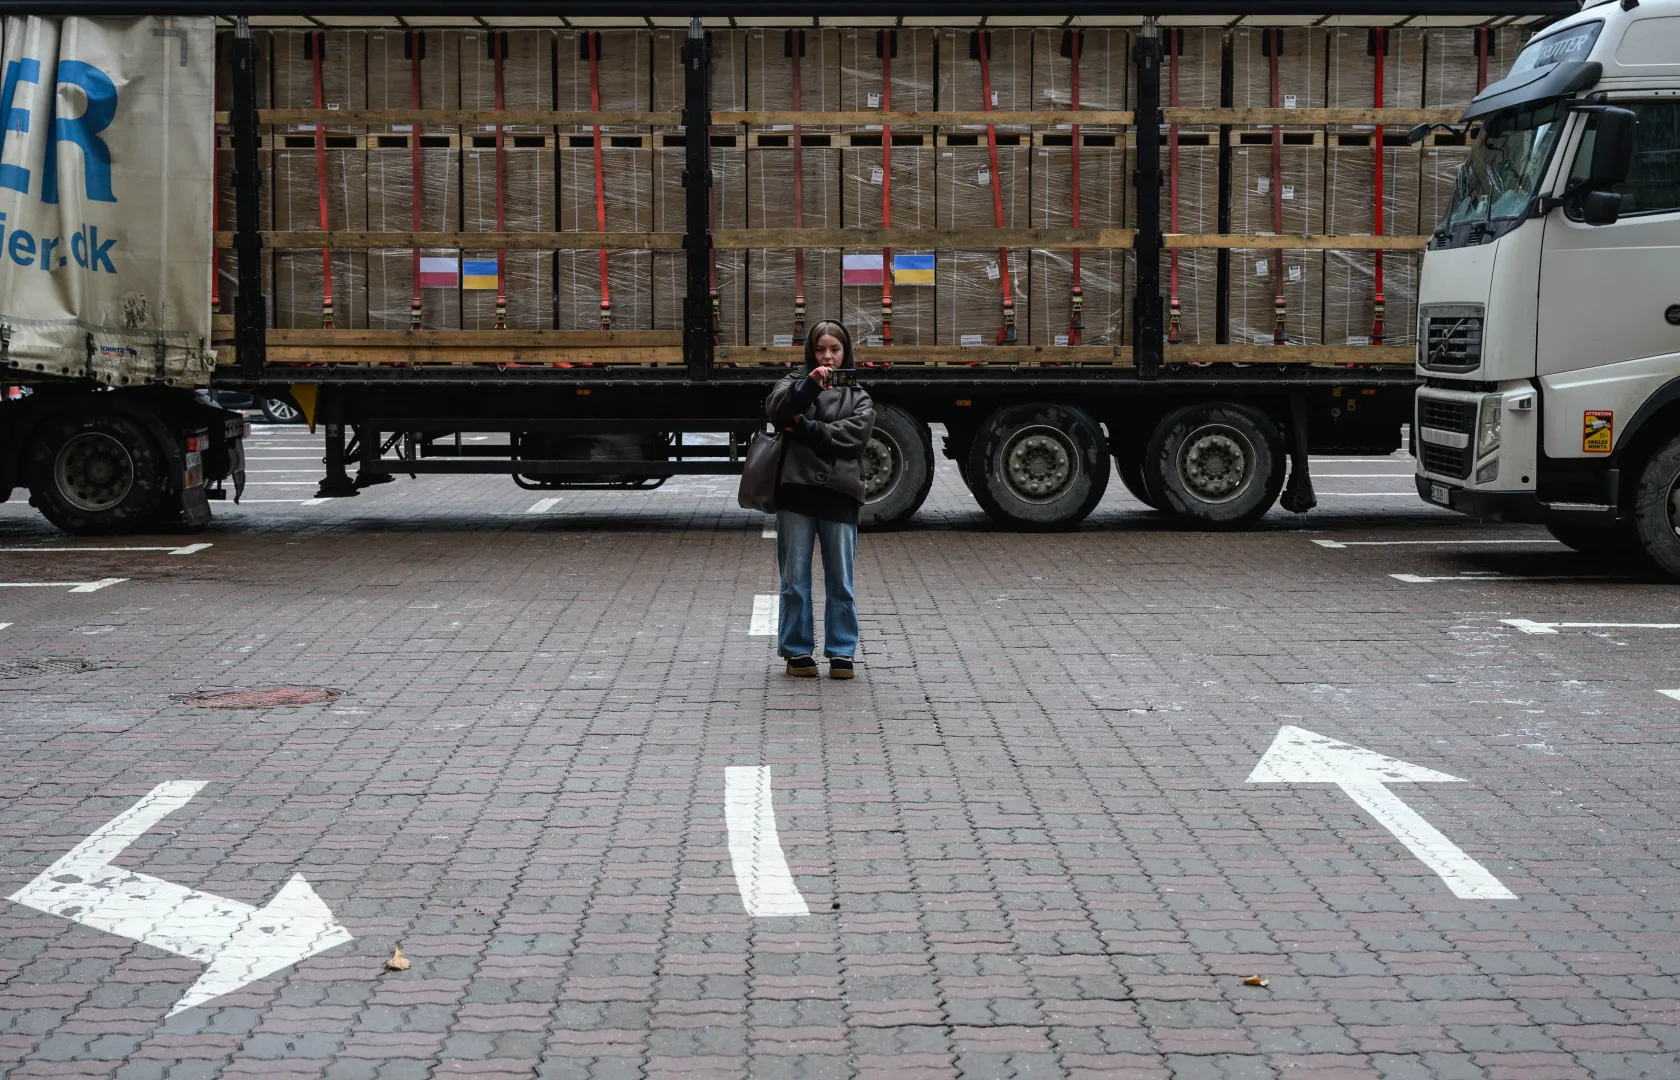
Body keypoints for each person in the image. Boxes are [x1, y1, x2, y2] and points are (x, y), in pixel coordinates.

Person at [764, 320, 876, 679]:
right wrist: (809, 385)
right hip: (796, 492)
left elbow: (854, 439)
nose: (828, 356)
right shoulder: (793, 383)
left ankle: (842, 652)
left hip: (839, 495)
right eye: (820, 349)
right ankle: (797, 650)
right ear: (810, 352)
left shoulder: (858, 395)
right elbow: (776, 410)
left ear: (846, 352)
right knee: (794, 580)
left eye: (835, 349)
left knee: (841, 581)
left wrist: (805, 428)